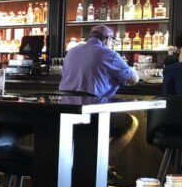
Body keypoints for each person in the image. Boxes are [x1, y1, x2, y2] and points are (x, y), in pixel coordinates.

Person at [59, 24, 140, 162]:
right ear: (107, 39)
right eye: (112, 41)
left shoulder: (72, 51)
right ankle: (99, 165)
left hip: (64, 113)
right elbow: (133, 79)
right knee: (132, 123)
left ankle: (89, 163)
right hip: (92, 114)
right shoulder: (108, 53)